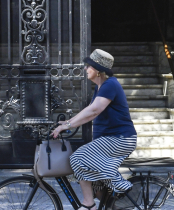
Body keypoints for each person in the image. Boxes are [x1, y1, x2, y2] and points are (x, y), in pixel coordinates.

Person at [51, 49, 137, 210]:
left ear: (98, 70)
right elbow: (88, 111)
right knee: (96, 185)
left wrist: (68, 126)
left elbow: (94, 111)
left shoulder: (110, 84)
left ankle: (93, 201)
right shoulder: (101, 87)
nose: (85, 69)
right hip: (111, 139)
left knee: (78, 158)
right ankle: (105, 204)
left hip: (120, 139)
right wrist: (67, 122)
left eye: (88, 66)